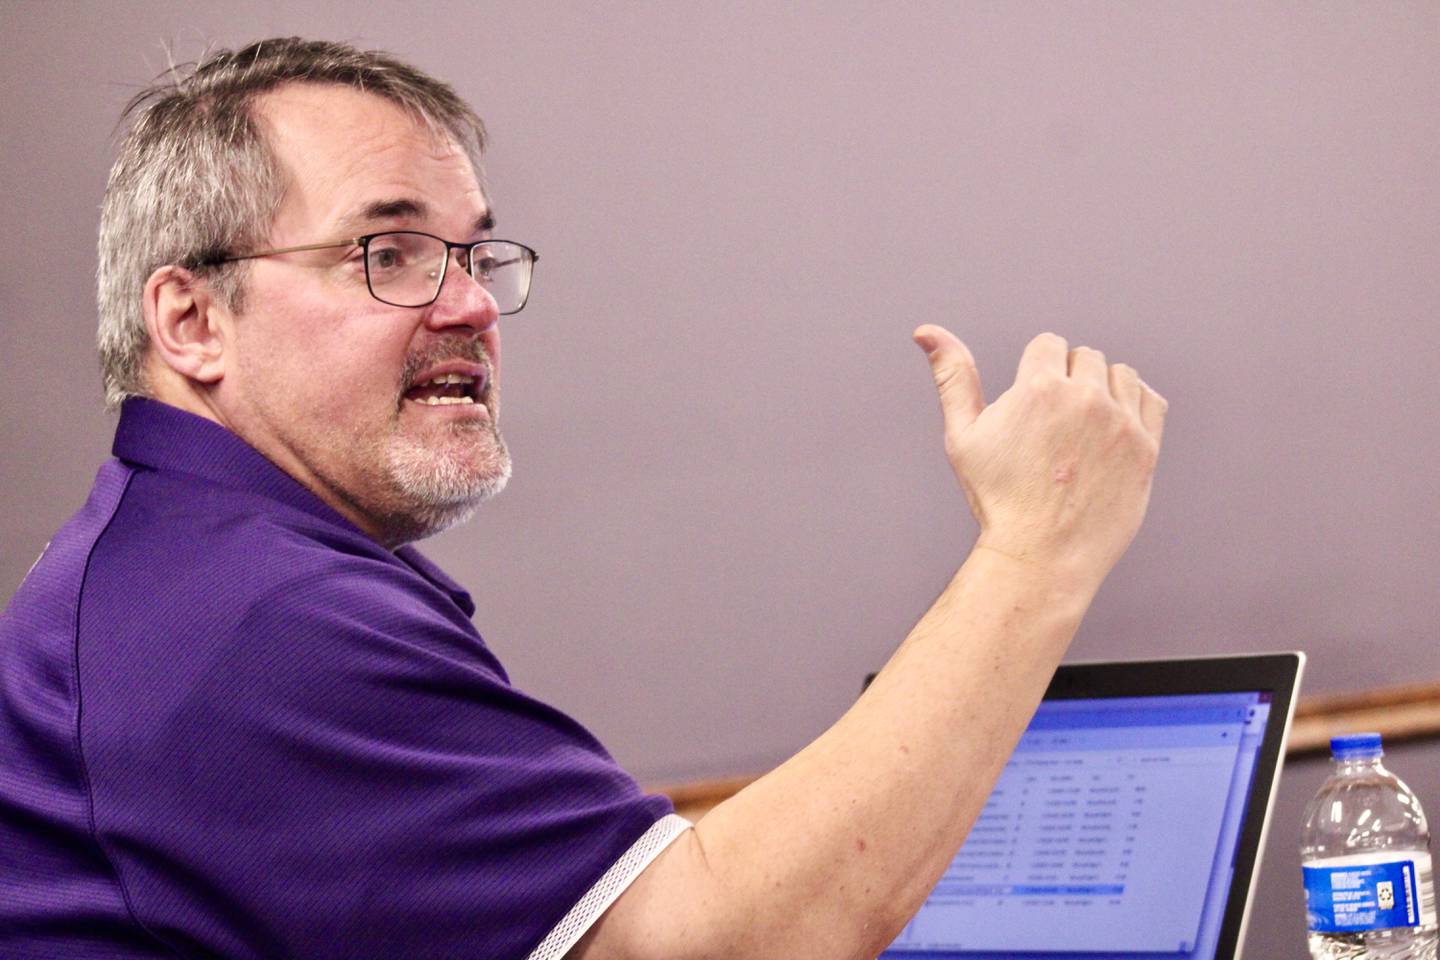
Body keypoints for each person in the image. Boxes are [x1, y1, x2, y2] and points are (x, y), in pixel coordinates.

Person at [0, 37, 1167, 960]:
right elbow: (719, 945)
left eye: (474, 256)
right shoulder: (244, 619)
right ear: (192, 321)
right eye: (389, 254)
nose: (469, 308)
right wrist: (1037, 553)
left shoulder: (204, 566)